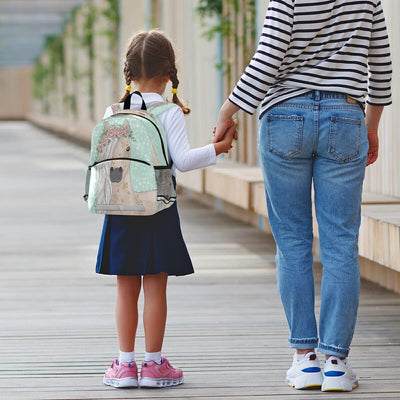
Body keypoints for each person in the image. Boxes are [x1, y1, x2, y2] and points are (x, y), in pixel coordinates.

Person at [214, 0, 392, 392]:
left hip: (284, 115)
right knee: (340, 243)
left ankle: (305, 361)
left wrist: (228, 111)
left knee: (292, 241)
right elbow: (381, 68)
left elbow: (268, 56)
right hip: (346, 116)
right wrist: (372, 125)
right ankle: (336, 364)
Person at [96, 30, 237, 389]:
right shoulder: (168, 111)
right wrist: (218, 148)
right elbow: (185, 161)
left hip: (121, 207)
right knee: (156, 287)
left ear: (128, 72)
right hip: (159, 207)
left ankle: (125, 366)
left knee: (125, 288)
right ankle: (155, 364)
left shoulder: (113, 111)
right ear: (167, 75)